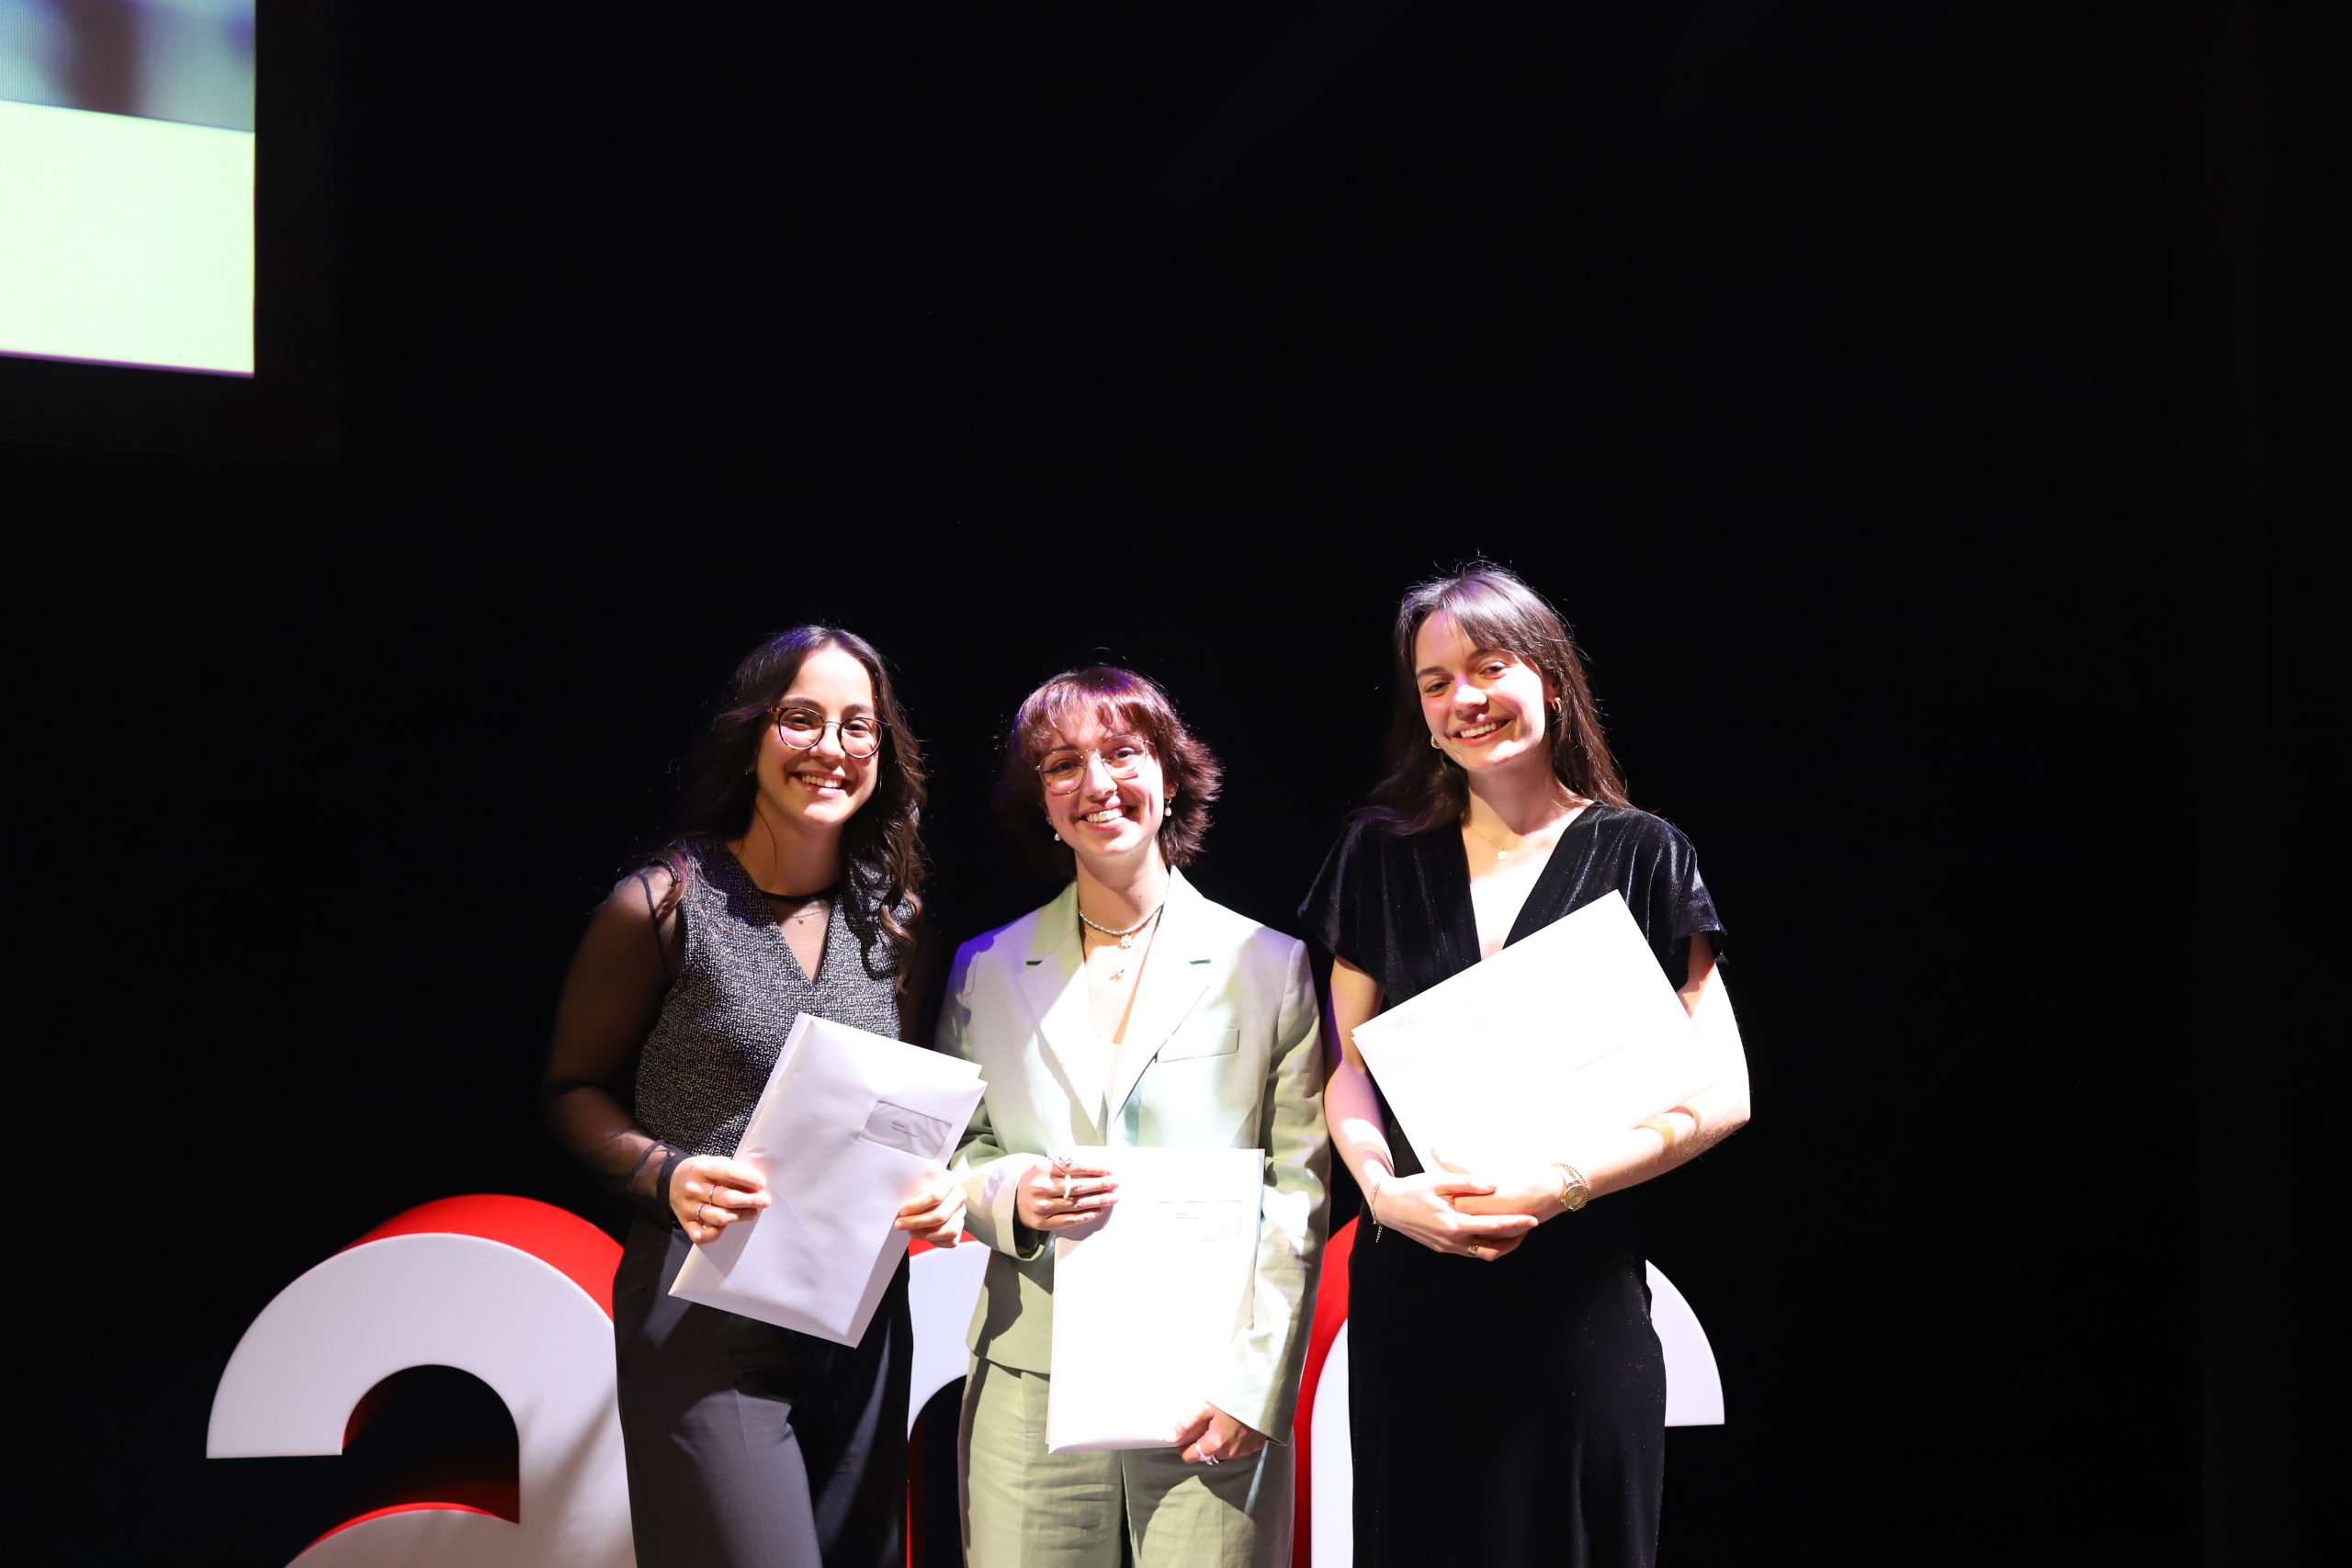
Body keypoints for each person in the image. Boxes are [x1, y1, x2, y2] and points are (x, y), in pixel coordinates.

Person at [1299, 565, 1751, 1568]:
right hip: (1417, 1280)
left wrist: (1563, 1185)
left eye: (1489, 666)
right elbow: (1347, 1068)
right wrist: (1383, 1193)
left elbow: (1725, 1091)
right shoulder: (1379, 853)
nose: (1464, 698)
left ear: (1549, 674)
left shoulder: (1643, 852)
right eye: (1435, 682)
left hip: (1578, 1290)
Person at [542, 626, 966, 1568]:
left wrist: (937, 1184)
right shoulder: (663, 904)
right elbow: (571, 1089)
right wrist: (667, 1174)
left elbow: (901, 1106)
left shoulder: (894, 919)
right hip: (703, 1311)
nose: (831, 747)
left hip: (858, 1316)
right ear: (750, 739)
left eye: (858, 726)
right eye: (801, 718)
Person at [935, 665, 1327, 1568]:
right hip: (1030, 1378)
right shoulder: (984, 967)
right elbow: (956, 1151)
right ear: (1041, 800)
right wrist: (1013, 1194)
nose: (1097, 783)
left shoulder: (1267, 964)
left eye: (1122, 753)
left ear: (1170, 775)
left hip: (1207, 1382)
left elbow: (1297, 1196)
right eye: (1063, 763)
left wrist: (1254, 1385)